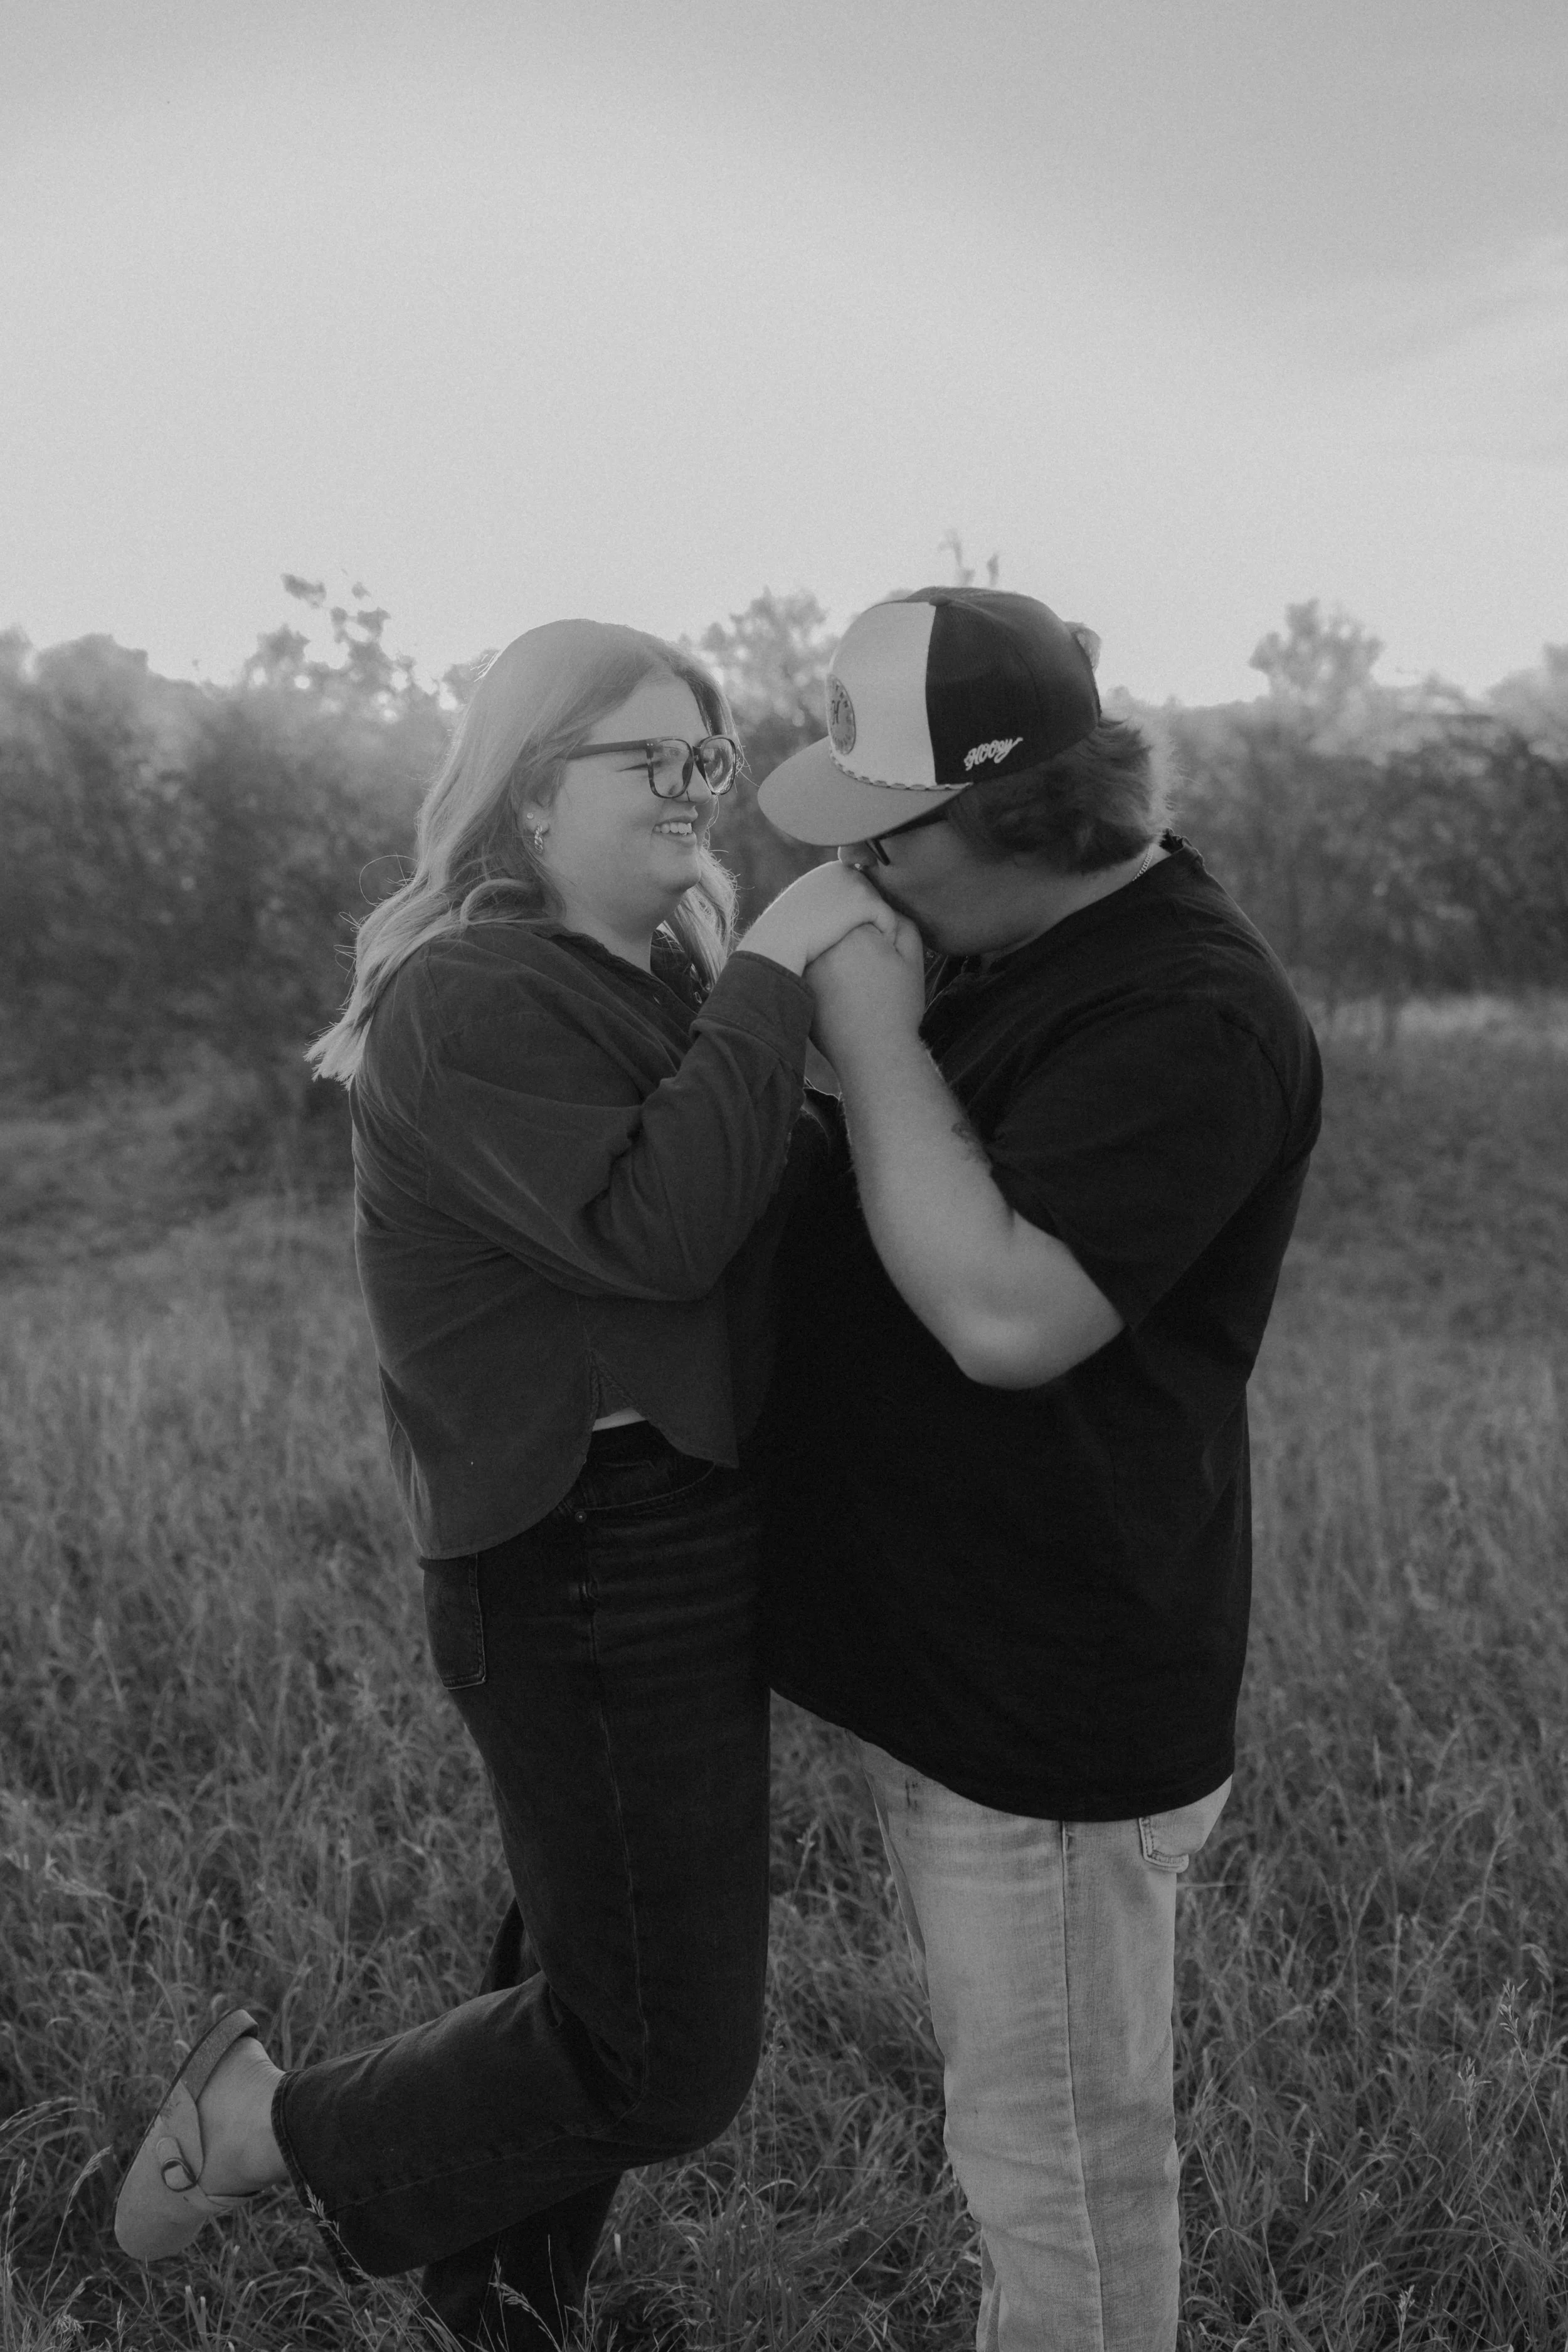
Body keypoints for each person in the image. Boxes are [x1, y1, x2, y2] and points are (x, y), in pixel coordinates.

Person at [112, 617, 896, 2351]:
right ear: (532, 790)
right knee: (666, 2056)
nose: (701, 785)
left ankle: (498, 2300)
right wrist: (772, 973)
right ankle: (272, 2124)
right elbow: (659, 1229)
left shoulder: (645, 979)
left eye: (711, 753)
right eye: (657, 757)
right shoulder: (474, 993)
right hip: (581, 1555)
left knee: (590, 1948)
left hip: (675, 1528)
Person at [754, 585, 1322, 2352]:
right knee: (1021, 2141)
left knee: (1059, 2167)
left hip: (1049, 1695)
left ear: (996, 815)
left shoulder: (1189, 1016)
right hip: (950, 1658)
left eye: (881, 842)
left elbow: (1006, 1312)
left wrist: (858, 1023)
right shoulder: (1022, 943)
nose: (864, 881)